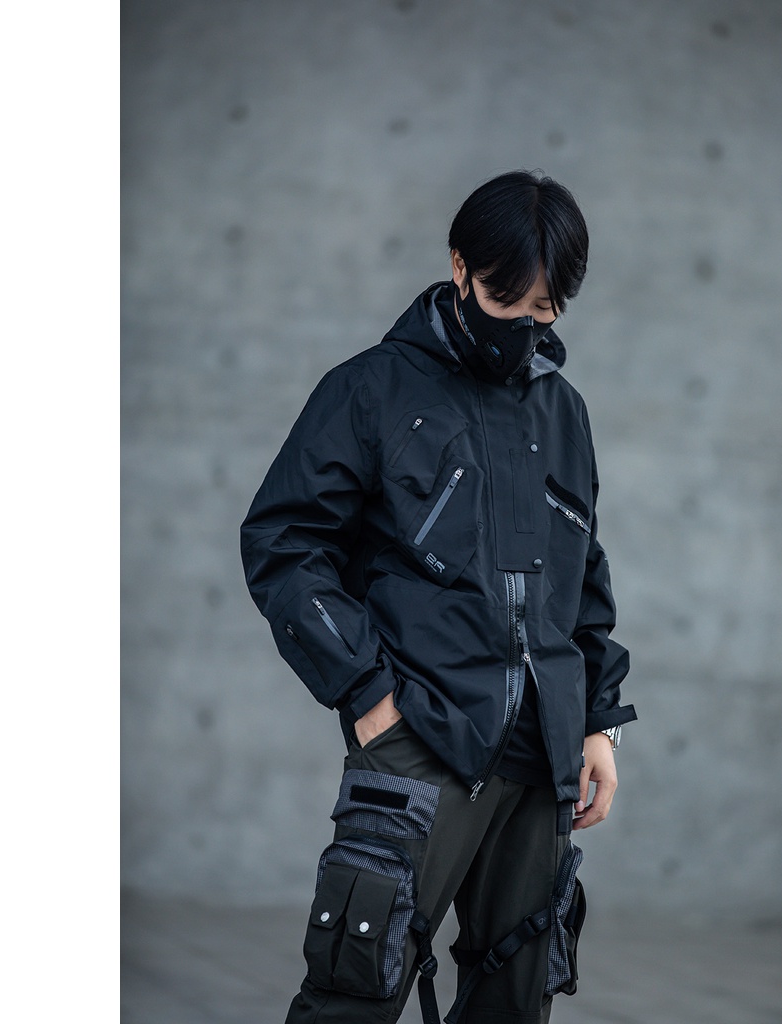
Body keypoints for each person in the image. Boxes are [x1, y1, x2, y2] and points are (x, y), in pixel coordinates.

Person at [241, 169, 636, 1024]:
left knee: (514, 1001)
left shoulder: (563, 412)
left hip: (543, 759)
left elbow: (582, 574)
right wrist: (365, 692)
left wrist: (598, 723)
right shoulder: (371, 391)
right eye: (505, 299)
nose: (524, 324)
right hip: (420, 738)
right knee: (353, 994)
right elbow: (285, 543)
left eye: (545, 309)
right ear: (459, 266)